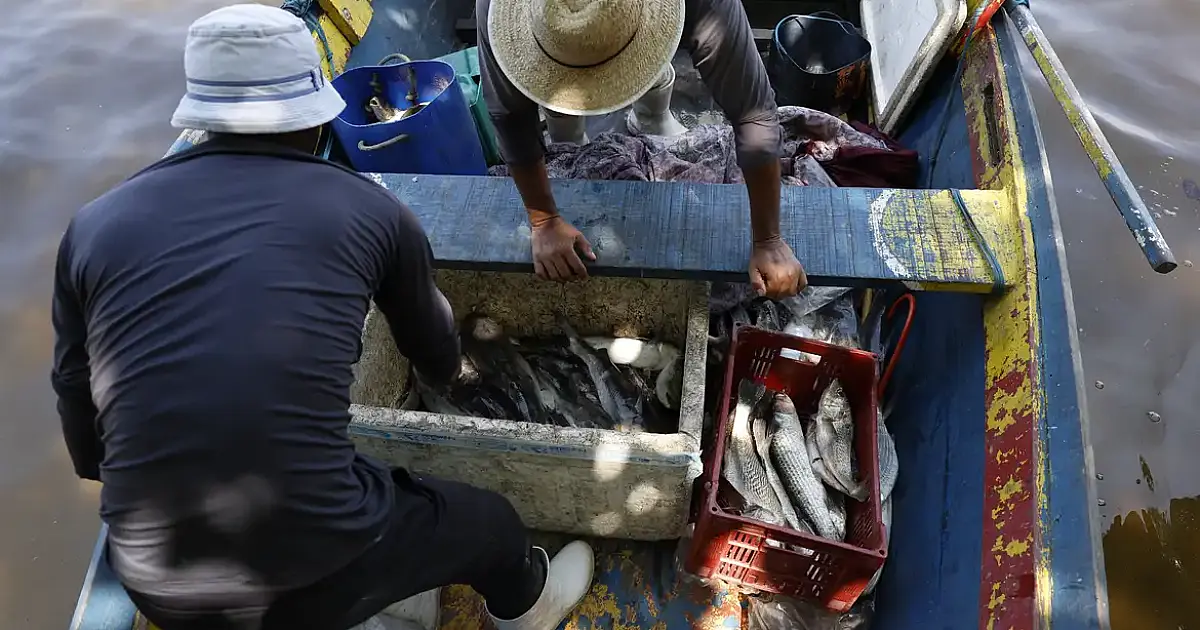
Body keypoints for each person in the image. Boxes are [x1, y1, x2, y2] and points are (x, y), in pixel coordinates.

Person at [50, 5, 593, 630]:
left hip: (151, 578)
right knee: (493, 525)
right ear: (314, 119)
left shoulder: (91, 227)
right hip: (316, 561)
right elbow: (438, 358)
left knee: (349, 485)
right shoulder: (372, 210)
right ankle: (528, 611)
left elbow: (85, 438)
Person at [477, 0, 807, 298]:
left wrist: (768, 240)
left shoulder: (706, 6)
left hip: (642, 29)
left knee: (641, 59)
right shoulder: (496, 13)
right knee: (561, 102)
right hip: (553, 54)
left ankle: (651, 115)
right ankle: (567, 128)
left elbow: (753, 112)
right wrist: (544, 219)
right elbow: (509, 117)